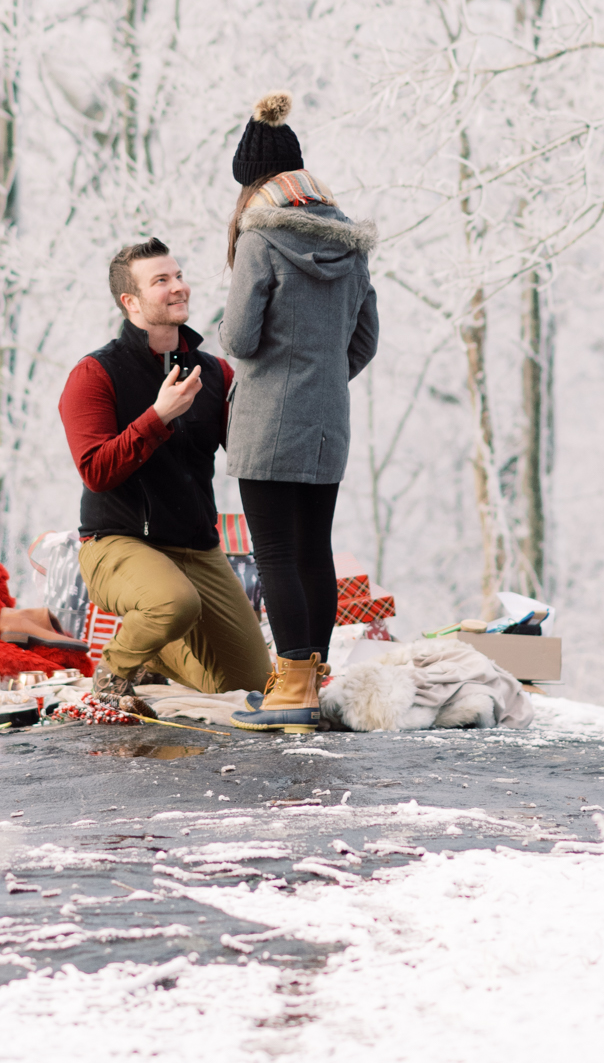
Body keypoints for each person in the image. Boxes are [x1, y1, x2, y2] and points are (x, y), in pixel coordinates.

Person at [58, 237, 272, 719]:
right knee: (173, 603)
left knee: (250, 687)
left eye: (178, 275)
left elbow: (245, 453)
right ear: (129, 302)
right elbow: (96, 470)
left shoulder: (214, 372)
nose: (179, 287)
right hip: (118, 542)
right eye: (162, 281)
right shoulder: (94, 374)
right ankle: (113, 671)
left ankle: (155, 653)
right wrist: (158, 416)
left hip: (197, 548)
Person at [220, 92, 379, 731]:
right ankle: (308, 679)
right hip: (328, 420)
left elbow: (238, 338)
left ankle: (291, 690)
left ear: (254, 183)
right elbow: (364, 342)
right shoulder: (351, 244)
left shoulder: (260, 238)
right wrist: (319, 379)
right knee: (315, 548)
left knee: (276, 552)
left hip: (266, 419)